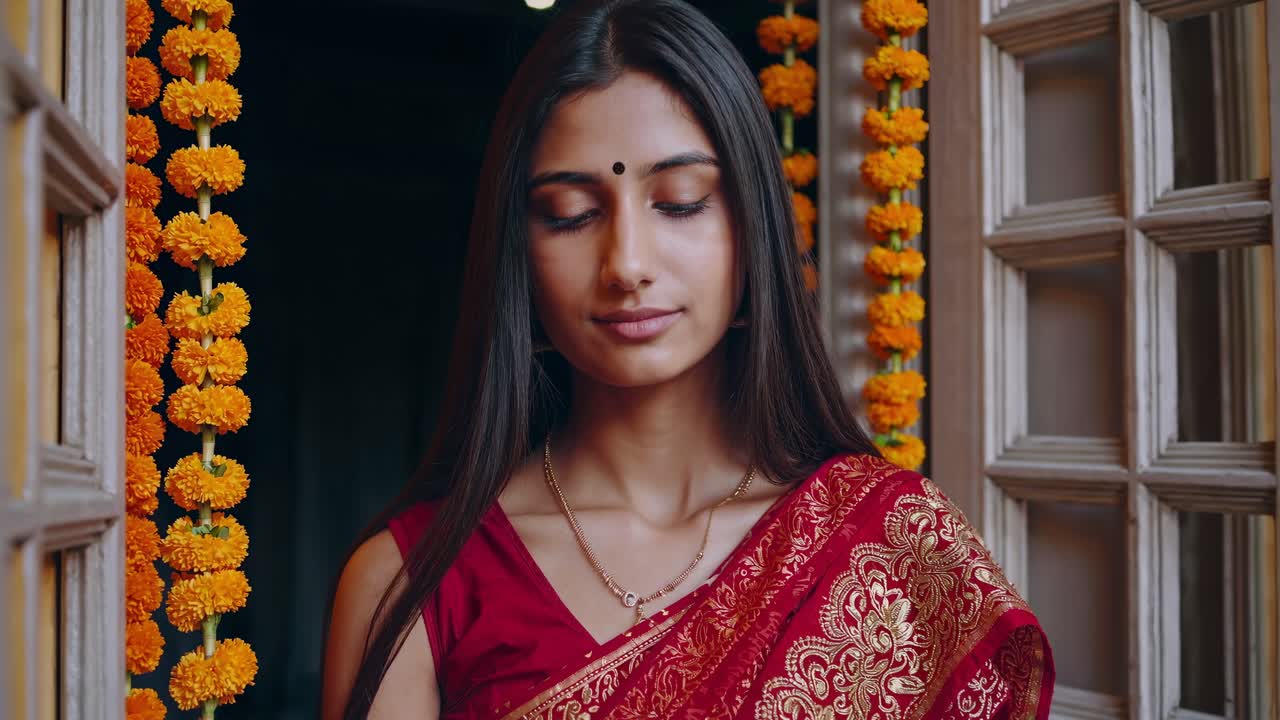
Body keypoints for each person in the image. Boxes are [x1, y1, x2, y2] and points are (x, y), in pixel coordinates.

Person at [322, 1, 1054, 717]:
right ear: (517, 252)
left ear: (753, 226)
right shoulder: (412, 584)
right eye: (571, 214)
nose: (627, 263)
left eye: (680, 201)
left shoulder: (890, 547)